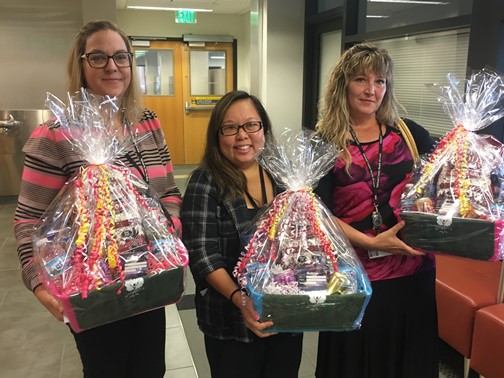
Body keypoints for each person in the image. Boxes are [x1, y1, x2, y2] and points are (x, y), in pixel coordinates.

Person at [13, 20, 182, 378]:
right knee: (106, 369)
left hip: (148, 277)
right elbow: (29, 220)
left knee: (151, 368)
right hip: (91, 287)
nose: (112, 66)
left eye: (121, 56)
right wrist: (39, 284)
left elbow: (168, 192)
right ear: (81, 65)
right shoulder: (55, 134)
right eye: (99, 57)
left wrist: (168, 235)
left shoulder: (147, 123)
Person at [314, 43, 438, 378]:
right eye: (361, 79)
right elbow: (317, 215)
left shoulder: (411, 134)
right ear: (343, 85)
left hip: (414, 272)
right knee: (357, 362)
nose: (372, 90)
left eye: (380, 81)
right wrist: (371, 243)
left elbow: (440, 184)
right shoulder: (325, 144)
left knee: (408, 359)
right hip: (357, 277)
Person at [181, 90, 303, 378]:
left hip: (286, 317)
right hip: (231, 324)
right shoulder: (205, 181)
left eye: (251, 125)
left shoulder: (283, 176)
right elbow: (202, 255)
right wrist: (241, 299)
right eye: (230, 128)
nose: (242, 136)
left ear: (263, 128)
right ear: (217, 135)